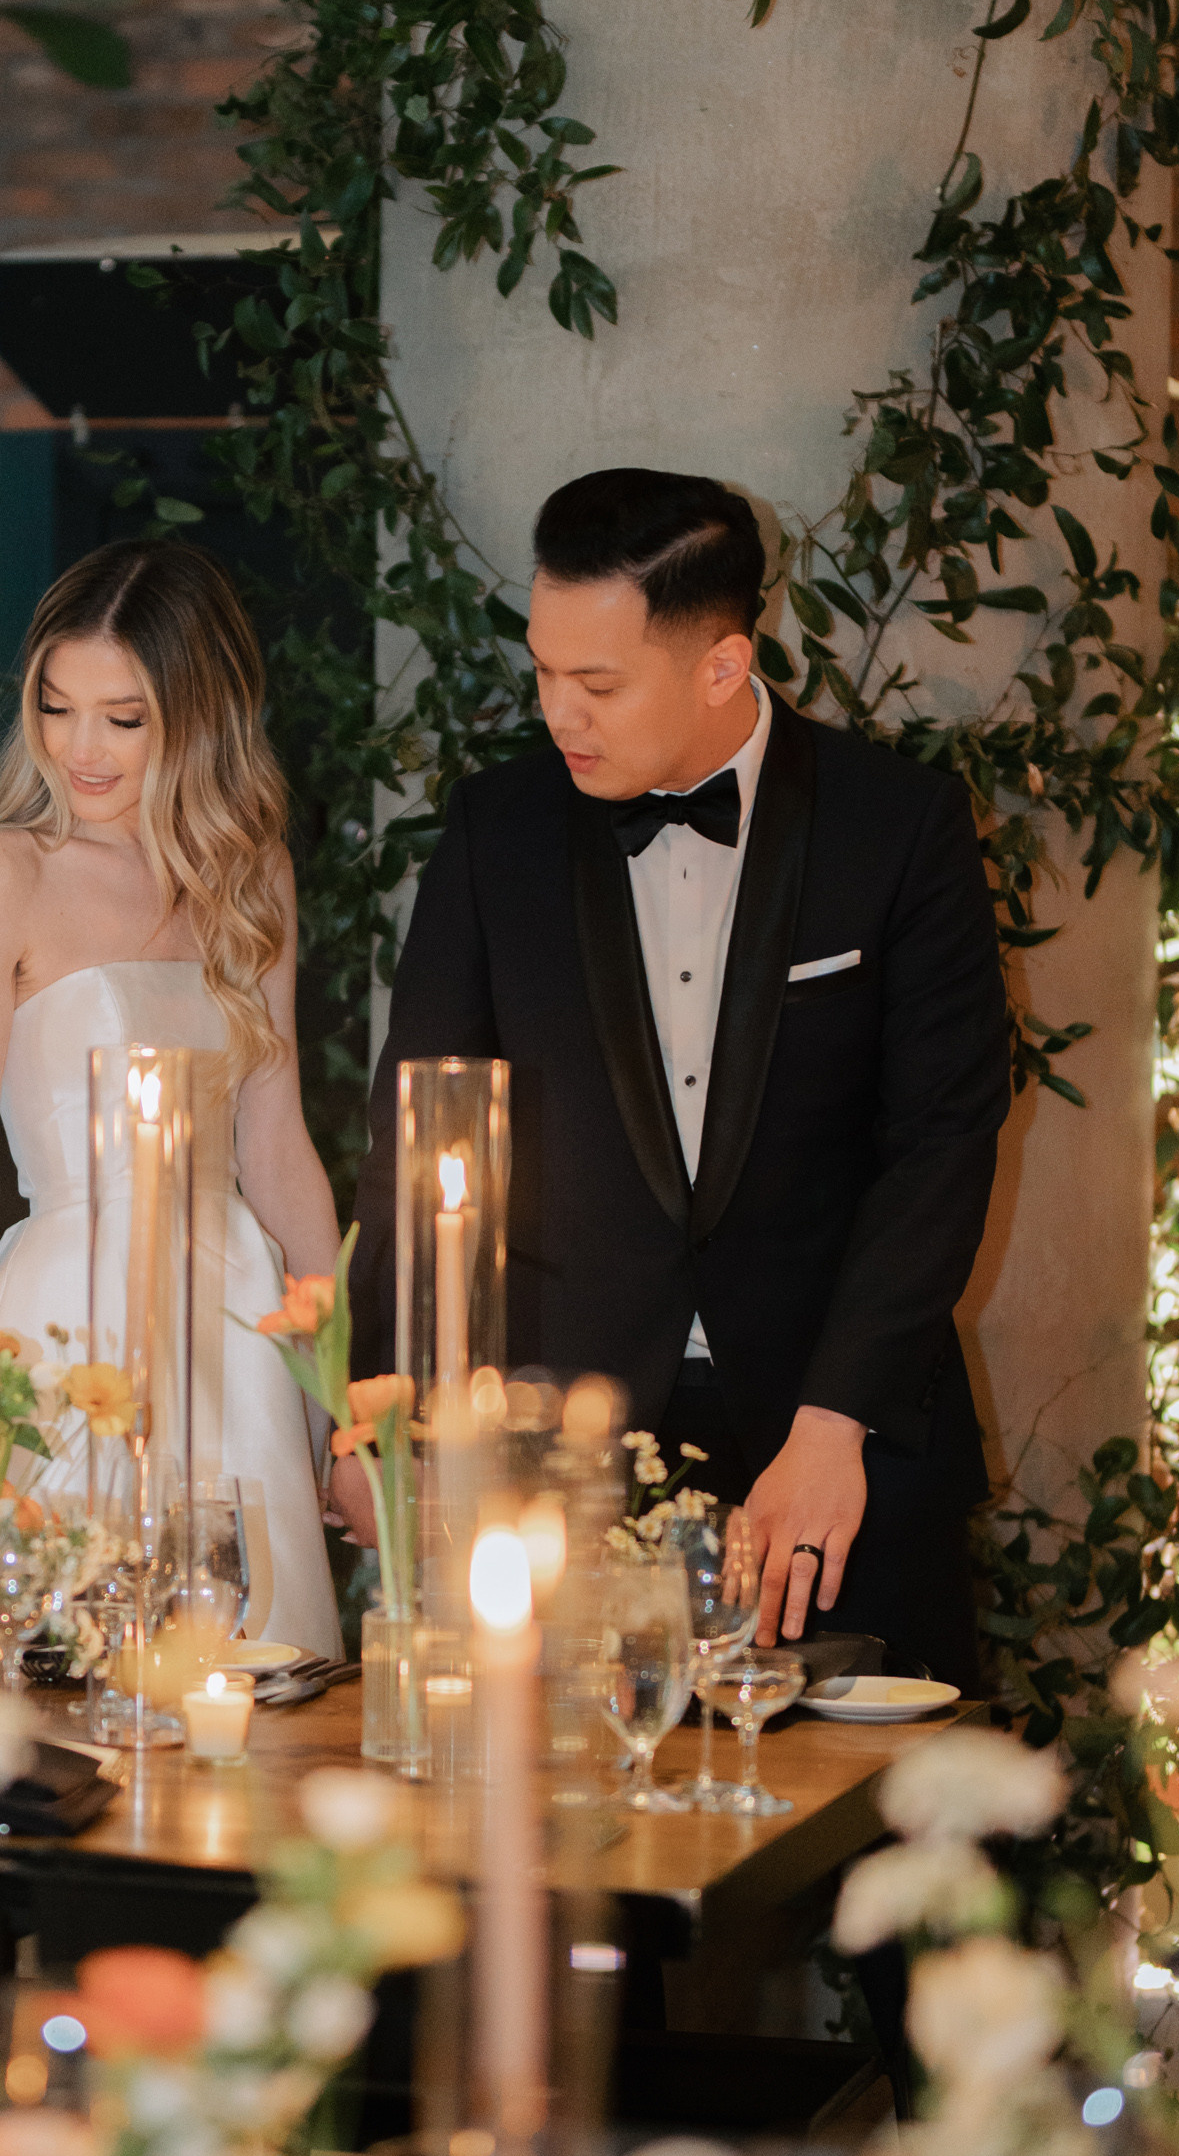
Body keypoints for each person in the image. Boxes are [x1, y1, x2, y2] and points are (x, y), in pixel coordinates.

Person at [340, 467, 1010, 1686]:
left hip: (832, 1453)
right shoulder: (498, 835)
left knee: (871, 1858)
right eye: (541, 670)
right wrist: (386, 1414)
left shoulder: (897, 827)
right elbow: (417, 1138)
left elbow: (942, 1143)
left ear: (722, 664)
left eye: (595, 683)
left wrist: (833, 1423)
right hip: (565, 1464)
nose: (556, 712)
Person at [0, 539, 344, 1660]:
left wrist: (340, 1405)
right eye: (55, 706)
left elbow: (278, 1149)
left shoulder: (251, 873)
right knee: (41, 1676)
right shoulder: (4, 875)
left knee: (249, 1686)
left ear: (195, 713)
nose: (79, 749)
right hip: (58, 1326)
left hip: (236, 1328)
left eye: (122, 718)